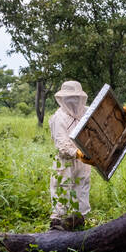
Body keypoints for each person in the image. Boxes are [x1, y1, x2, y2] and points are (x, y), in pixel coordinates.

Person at [48, 80, 92, 231]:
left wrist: (120, 112)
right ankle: (57, 222)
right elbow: (62, 144)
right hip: (65, 160)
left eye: (76, 98)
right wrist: (76, 152)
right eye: (70, 98)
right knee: (62, 186)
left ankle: (79, 219)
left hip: (83, 160)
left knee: (82, 186)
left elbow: (100, 116)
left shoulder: (85, 112)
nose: (73, 101)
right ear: (63, 99)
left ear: (81, 98)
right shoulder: (58, 118)